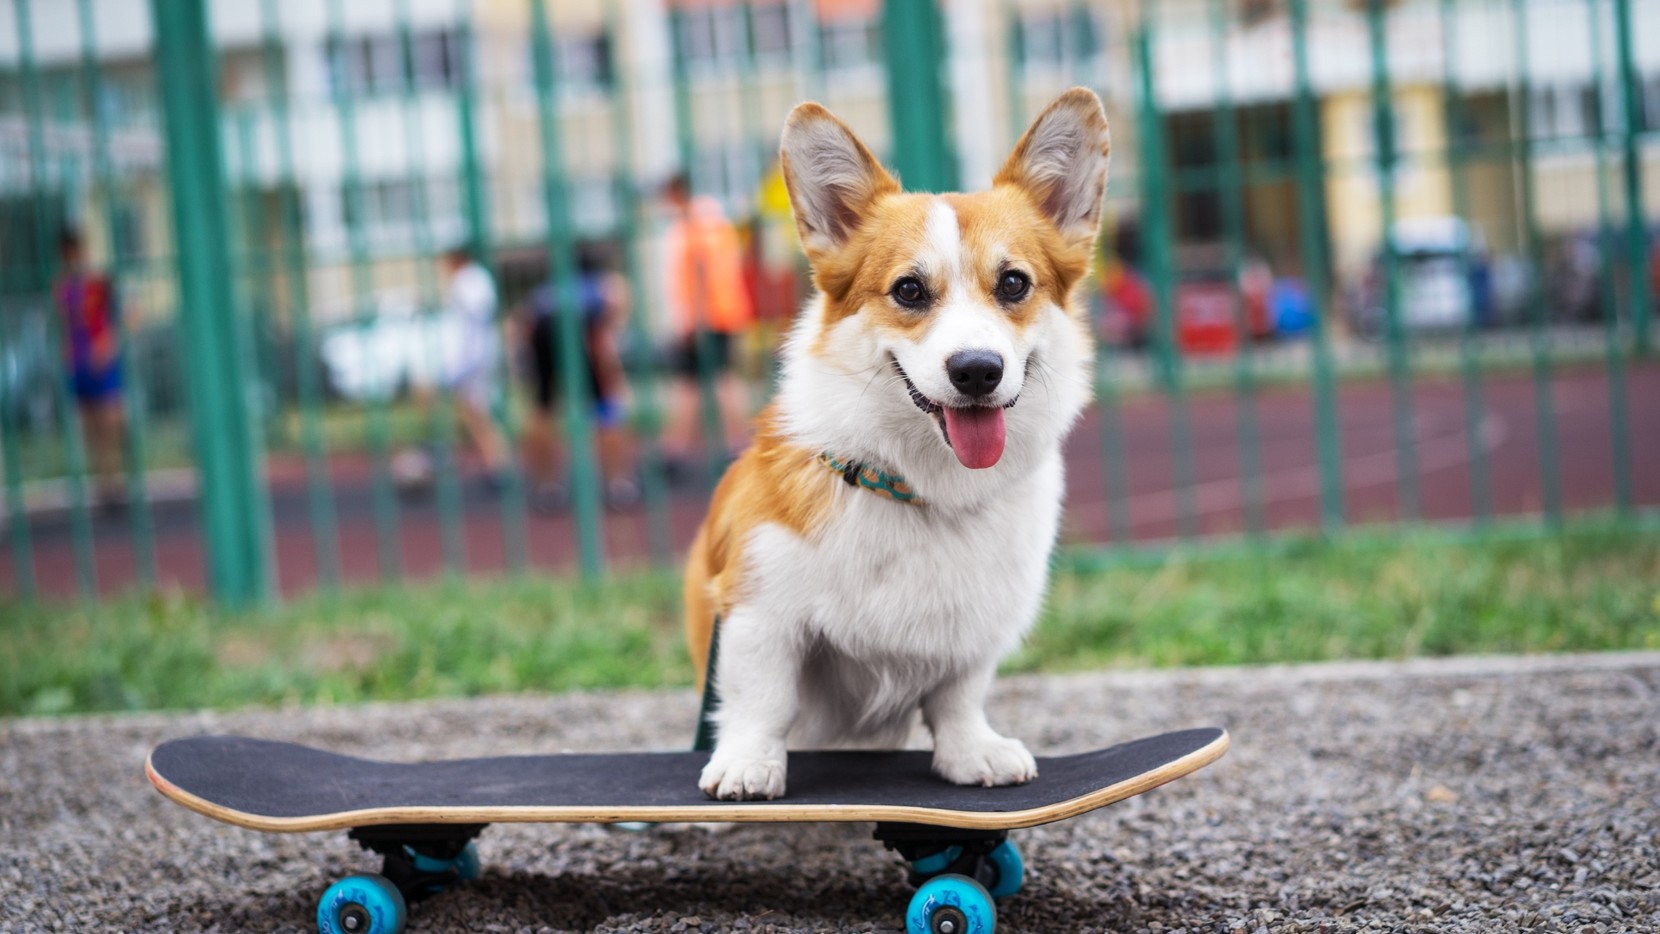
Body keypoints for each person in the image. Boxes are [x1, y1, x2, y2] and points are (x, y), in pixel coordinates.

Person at [518, 242, 640, 513]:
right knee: (605, 411)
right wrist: (612, 375)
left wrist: (530, 374)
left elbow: (523, 329)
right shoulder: (602, 288)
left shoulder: (543, 294)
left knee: (542, 411)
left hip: (544, 337)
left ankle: (547, 487)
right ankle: (619, 484)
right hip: (585, 334)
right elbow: (605, 336)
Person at [660, 173, 756, 478]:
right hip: (719, 315)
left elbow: (703, 275)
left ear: (676, 193)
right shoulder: (713, 220)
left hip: (707, 318)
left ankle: (731, 446)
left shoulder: (695, 224)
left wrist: (694, 320)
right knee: (705, 383)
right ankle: (680, 449)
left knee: (713, 382)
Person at [54, 228, 127, 508]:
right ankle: (103, 485)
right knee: (89, 427)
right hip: (78, 363)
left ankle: (115, 480)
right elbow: (63, 324)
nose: (72, 258)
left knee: (111, 422)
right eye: (67, 253)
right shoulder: (62, 286)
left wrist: (106, 347)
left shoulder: (99, 281)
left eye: (75, 251)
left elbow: (121, 317)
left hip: (103, 361)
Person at [436, 244, 511, 488]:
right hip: (473, 354)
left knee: (477, 413)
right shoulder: (472, 279)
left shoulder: (470, 280)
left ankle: (496, 463)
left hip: (473, 356)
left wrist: (460, 365)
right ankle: (491, 461)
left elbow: (476, 318)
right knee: (473, 413)